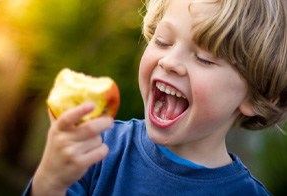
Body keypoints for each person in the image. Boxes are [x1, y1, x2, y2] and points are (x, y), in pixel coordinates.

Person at [23, 0, 287, 195]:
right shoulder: (98, 151)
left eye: (205, 58)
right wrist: (49, 181)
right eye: (162, 41)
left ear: (255, 96)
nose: (170, 62)